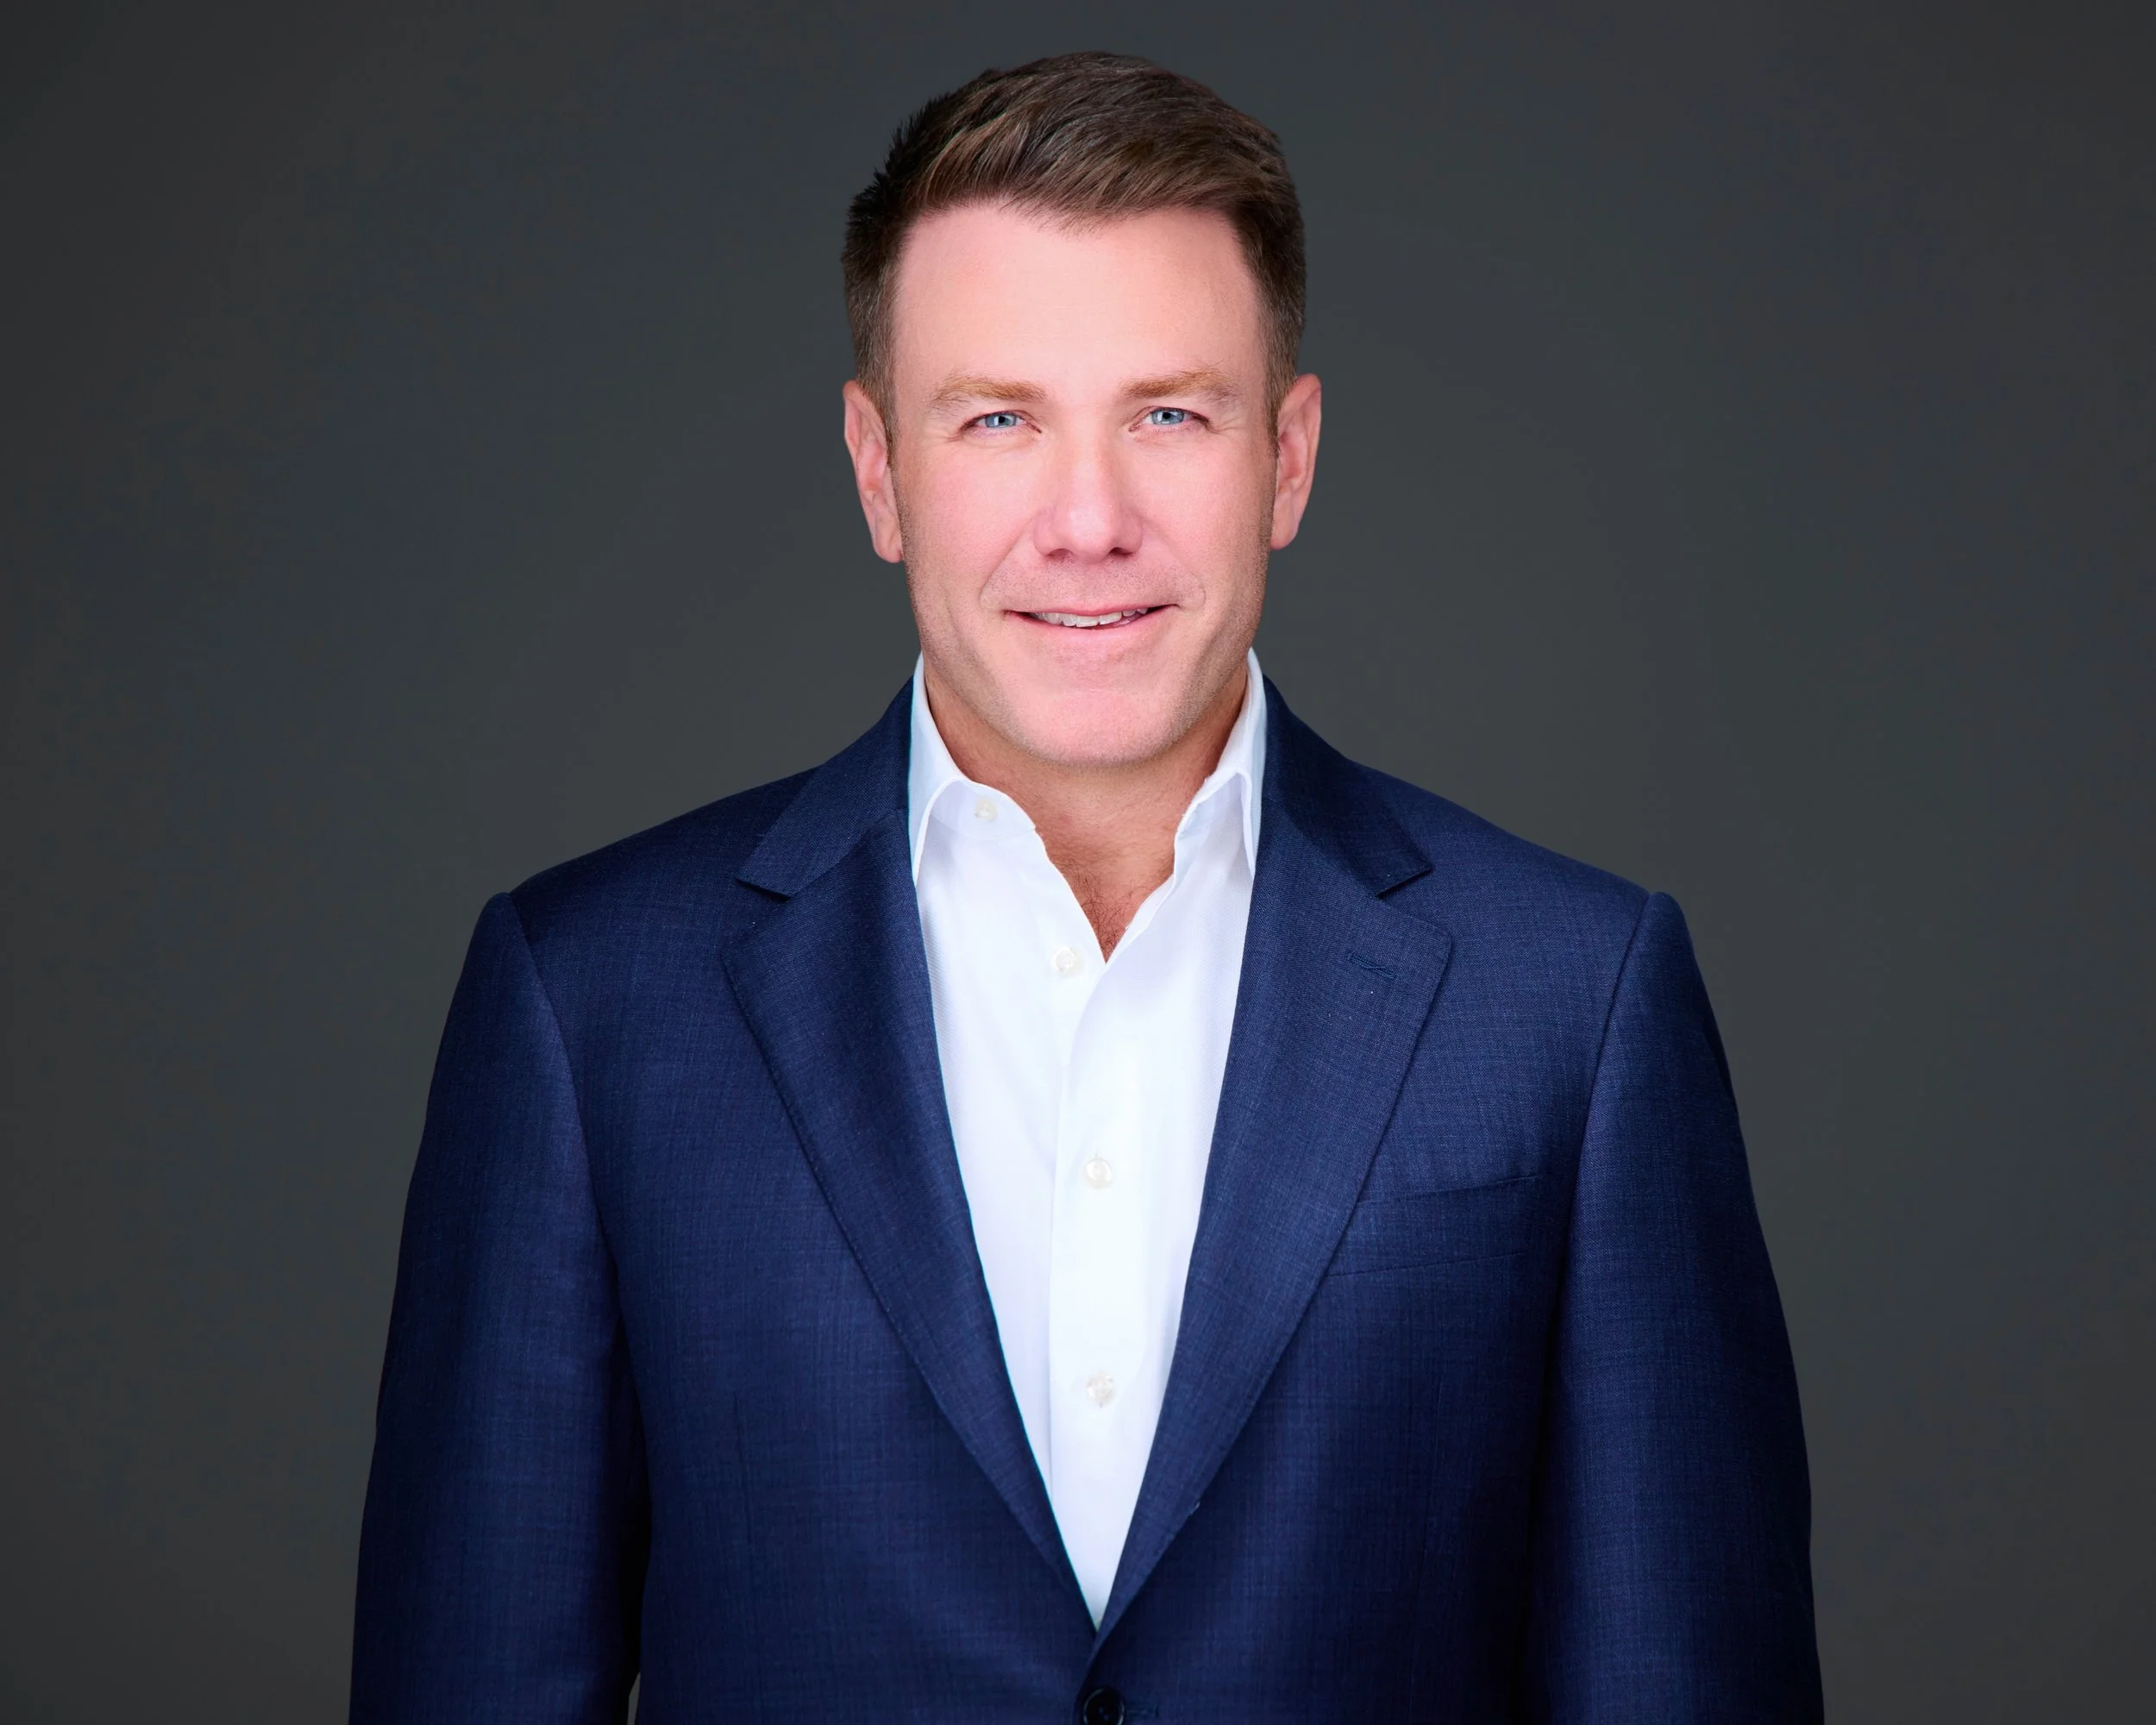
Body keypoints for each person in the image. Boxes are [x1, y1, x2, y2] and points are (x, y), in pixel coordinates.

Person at [350, 52, 1821, 1722]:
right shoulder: (589, 1002)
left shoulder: (1573, 1000)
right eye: (998, 419)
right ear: (877, 470)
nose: (1087, 519)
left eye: (1168, 415)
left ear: (1288, 456)